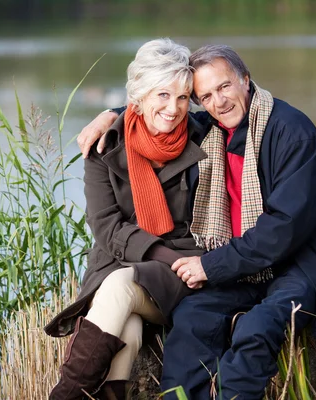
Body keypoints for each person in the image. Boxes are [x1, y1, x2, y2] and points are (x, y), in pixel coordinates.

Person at [78, 44, 316, 399]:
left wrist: (210, 265)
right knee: (191, 321)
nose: (218, 101)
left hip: (304, 264)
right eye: (206, 96)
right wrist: (110, 114)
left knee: (258, 327)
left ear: (246, 80)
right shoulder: (213, 129)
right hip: (246, 267)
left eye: (225, 87)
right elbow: (158, 109)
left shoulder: (291, 132)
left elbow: (283, 231)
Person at [43, 38, 208, 400]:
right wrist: (170, 258)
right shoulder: (104, 146)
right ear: (140, 96)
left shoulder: (205, 136)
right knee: (128, 331)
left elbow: (240, 100)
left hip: (181, 274)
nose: (174, 108)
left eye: (183, 97)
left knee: (118, 288)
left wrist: (180, 262)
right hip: (125, 261)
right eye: (162, 95)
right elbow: (106, 227)